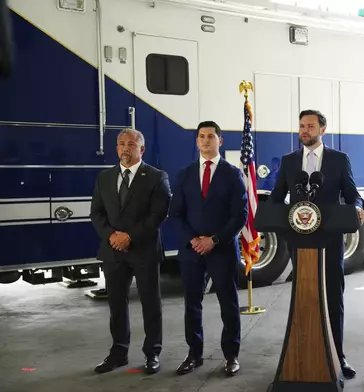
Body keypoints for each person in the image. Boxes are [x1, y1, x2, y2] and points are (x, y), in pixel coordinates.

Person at [269, 109, 364, 379]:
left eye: (310, 126)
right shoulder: (289, 161)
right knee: (304, 297)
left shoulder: (339, 159)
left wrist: (357, 208)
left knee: (333, 297)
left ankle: (337, 355)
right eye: (301, 126)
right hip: (298, 241)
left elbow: (352, 194)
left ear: (322, 129)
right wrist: (277, 216)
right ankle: (300, 353)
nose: (304, 131)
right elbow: (277, 197)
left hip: (330, 240)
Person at [89, 128, 171, 374]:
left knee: (150, 303)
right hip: (113, 251)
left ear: (141, 149)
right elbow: (96, 213)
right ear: (116, 148)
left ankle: (152, 353)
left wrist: (130, 236)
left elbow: (158, 214)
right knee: (116, 304)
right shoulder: (104, 177)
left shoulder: (156, 177)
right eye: (121, 144)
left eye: (131, 144)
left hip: (144, 250)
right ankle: (118, 352)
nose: (126, 148)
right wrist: (112, 236)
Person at [170, 120, 248, 377]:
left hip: (222, 250)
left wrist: (213, 240)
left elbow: (240, 215)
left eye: (211, 136)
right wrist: (194, 239)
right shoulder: (184, 174)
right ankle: (194, 354)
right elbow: (177, 213)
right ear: (197, 141)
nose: (206, 140)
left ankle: (231, 356)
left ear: (220, 141)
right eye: (201, 136)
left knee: (229, 304)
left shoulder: (233, 174)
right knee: (192, 304)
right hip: (192, 251)